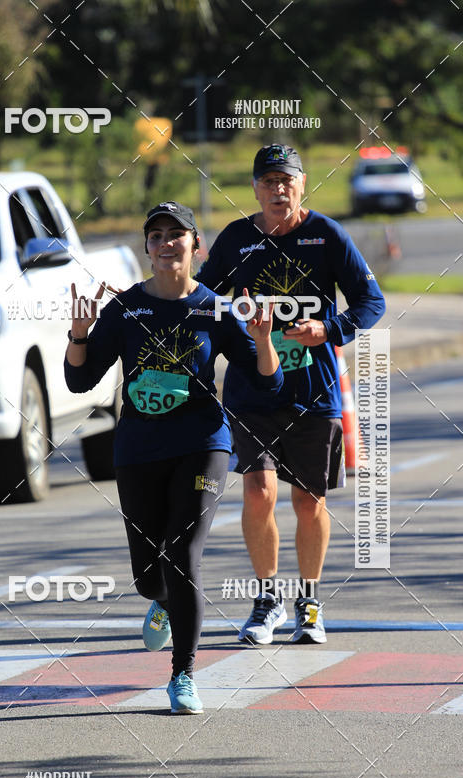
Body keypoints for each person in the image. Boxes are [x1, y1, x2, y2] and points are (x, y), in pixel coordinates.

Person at [64, 201, 283, 714]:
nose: (166, 244)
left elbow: (267, 383)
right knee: (149, 575)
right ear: (147, 247)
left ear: (195, 246)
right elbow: (79, 380)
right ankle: (161, 602)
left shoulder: (214, 309)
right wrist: (79, 334)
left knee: (183, 557)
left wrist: (264, 341)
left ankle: (183, 674)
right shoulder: (125, 309)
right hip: (138, 449)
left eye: (176, 235)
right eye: (156, 235)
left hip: (203, 445)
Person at [197, 144, 386, 645]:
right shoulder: (237, 240)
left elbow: (372, 300)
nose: (278, 190)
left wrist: (330, 328)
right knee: (259, 492)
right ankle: (265, 601)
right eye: (268, 182)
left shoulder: (326, 235)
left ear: (303, 184)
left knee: (308, 501)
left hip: (312, 389)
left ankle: (309, 602)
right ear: (255, 189)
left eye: (287, 181)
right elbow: (202, 302)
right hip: (252, 390)